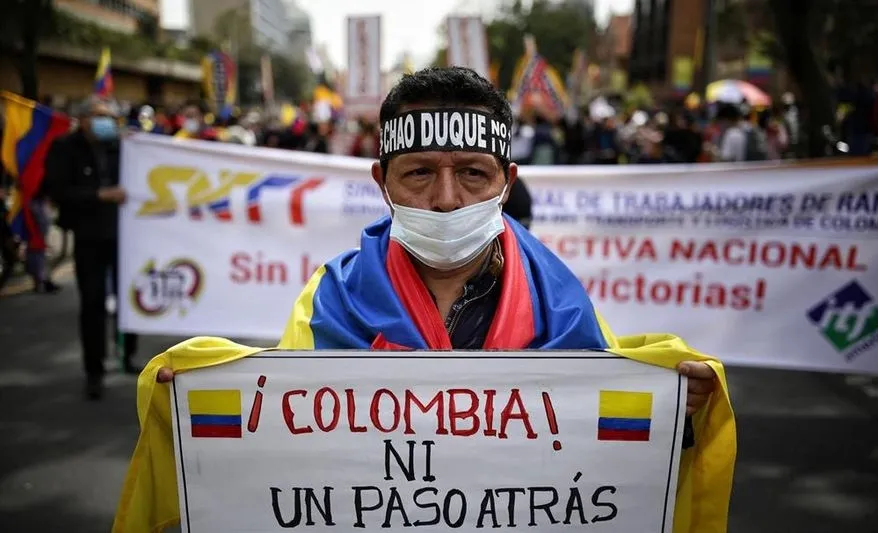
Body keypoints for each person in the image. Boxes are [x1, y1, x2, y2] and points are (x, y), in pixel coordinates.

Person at [138, 68, 734, 533]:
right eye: (419, 172)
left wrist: (676, 418)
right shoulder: (331, 300)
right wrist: (196, 411)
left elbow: (608, 471)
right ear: (382, 182)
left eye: (473, 173)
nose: (446, 199)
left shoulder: (564, 307)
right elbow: (287, 459)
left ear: (508, 181)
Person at [43, 96, 139, 400]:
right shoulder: (64, 148)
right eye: (99, 116)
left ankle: (128, 355)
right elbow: (57, 190)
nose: (106, 122)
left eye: (111, 117)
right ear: (82, 119)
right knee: (93, 303)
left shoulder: (124, 146)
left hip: (125, 236)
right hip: (88, 236)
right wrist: (99, 195)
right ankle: (94, 370)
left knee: (129, 300)